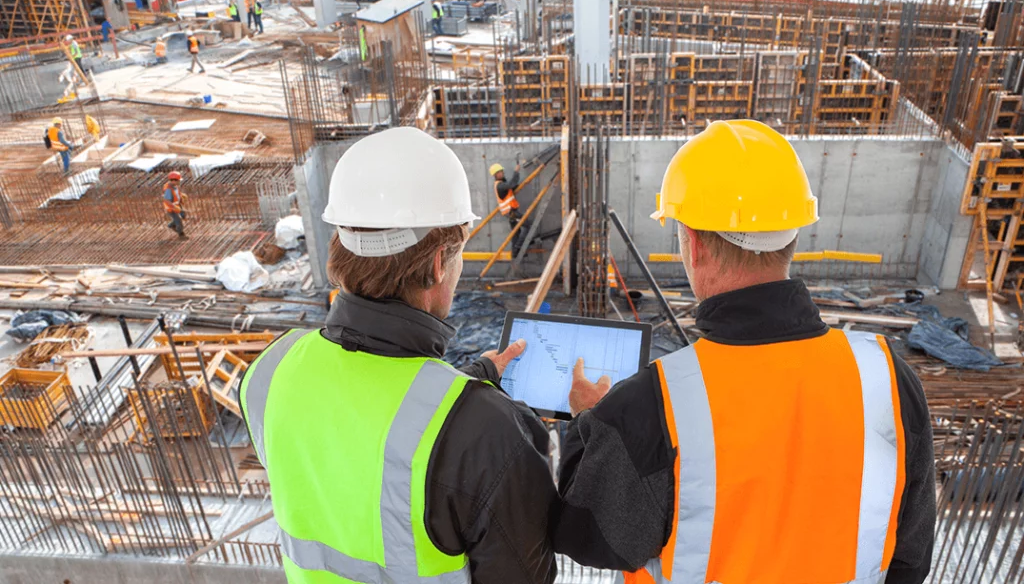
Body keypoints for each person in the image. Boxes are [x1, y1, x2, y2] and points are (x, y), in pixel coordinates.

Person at [555, 119, 936, 584]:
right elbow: (909, 556)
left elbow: (586, 535)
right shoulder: (887, 379)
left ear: (693, 246)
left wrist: (584, 425)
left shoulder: (652, 405)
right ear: (793, 237)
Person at [239, 127, 557, 584]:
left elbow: (362, 441)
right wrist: (588, 429)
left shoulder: (270, 371)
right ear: (435, 264)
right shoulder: (491, 433)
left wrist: (475, 381)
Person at [490, 162, 530, 257]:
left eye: (501, 171)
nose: (502, 173)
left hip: (510, 212)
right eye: (499, 172)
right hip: (511, 212)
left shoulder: (502, 184)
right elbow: (512, 184)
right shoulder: (500, 185)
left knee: (516, 232)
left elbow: (511, 186)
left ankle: (515, 253)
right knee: (527, 225)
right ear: (495, 175)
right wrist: (516, 171)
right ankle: (519, 247)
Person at [163, 171, 187, 239]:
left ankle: (171, 225)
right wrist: (174, 207)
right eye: (178, 180)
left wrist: (181, 196)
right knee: (178, 220)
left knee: (183, 214)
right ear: (173, 180)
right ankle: (181, 234)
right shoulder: (168, 189)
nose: (179, 181)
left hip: (177, 206)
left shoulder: (175, 186)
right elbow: (167, 200)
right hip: (171, 208)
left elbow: (176, 194)